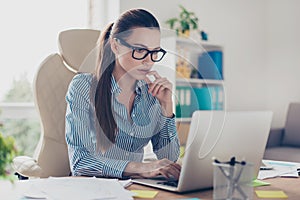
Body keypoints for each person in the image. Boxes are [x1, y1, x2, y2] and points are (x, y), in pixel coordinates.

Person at [65, 8, 180, 180]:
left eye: (155, 52)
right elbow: (80, 162)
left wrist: (166, 107)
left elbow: (170, 158)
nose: (149, 61)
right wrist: (141, 168)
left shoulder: (152, 93)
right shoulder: (83, 87)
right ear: (116, 46)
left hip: (136, 189)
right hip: (93, 189)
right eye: (140, 50)